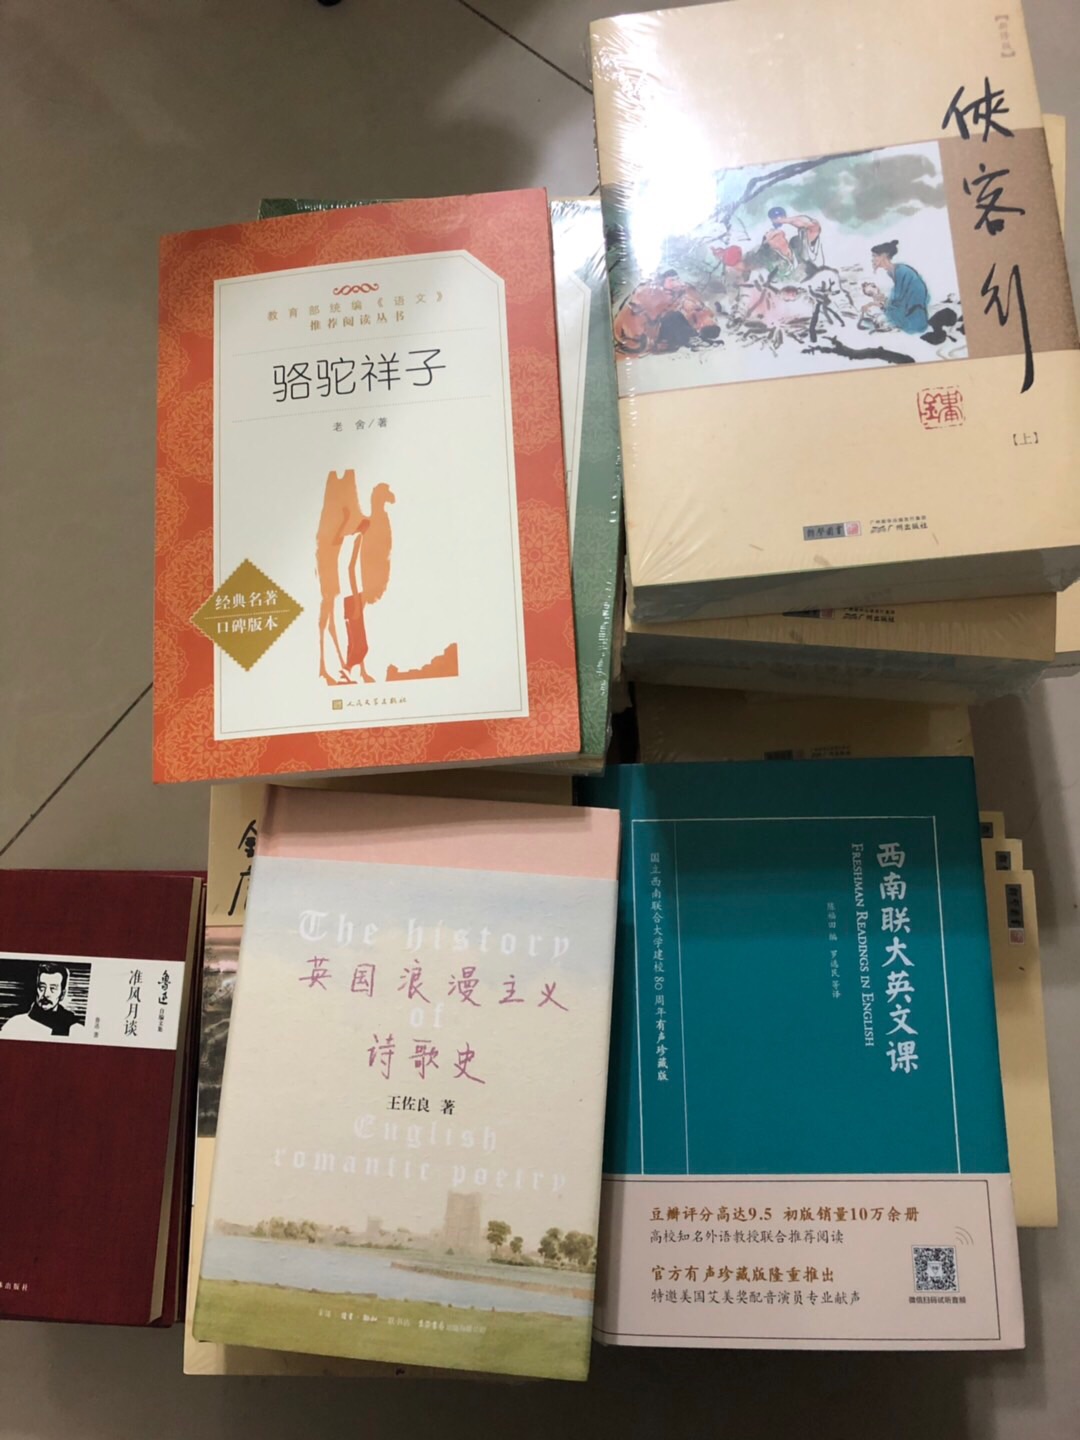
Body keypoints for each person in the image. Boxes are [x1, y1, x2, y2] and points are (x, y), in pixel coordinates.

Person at [3, 963, 84, 1038]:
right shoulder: (15, 1025)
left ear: (62, 994)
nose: (46, 994)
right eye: (42, 987)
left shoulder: (76, 1030)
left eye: (53, 988)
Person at [869, 240, 931, 334]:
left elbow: (901, 298)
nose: (872, 259)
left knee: (884, 316)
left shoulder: (901, 271)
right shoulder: (893, 271)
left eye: (874, 256)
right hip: (908, 311)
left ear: (884, 256)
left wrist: (884, 303)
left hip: (913, 316)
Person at [762, 206, 826, 280]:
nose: (771, 230)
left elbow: (814, 227)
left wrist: (784, 220)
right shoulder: (773, 264)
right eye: (769, 235)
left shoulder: (796, 243)